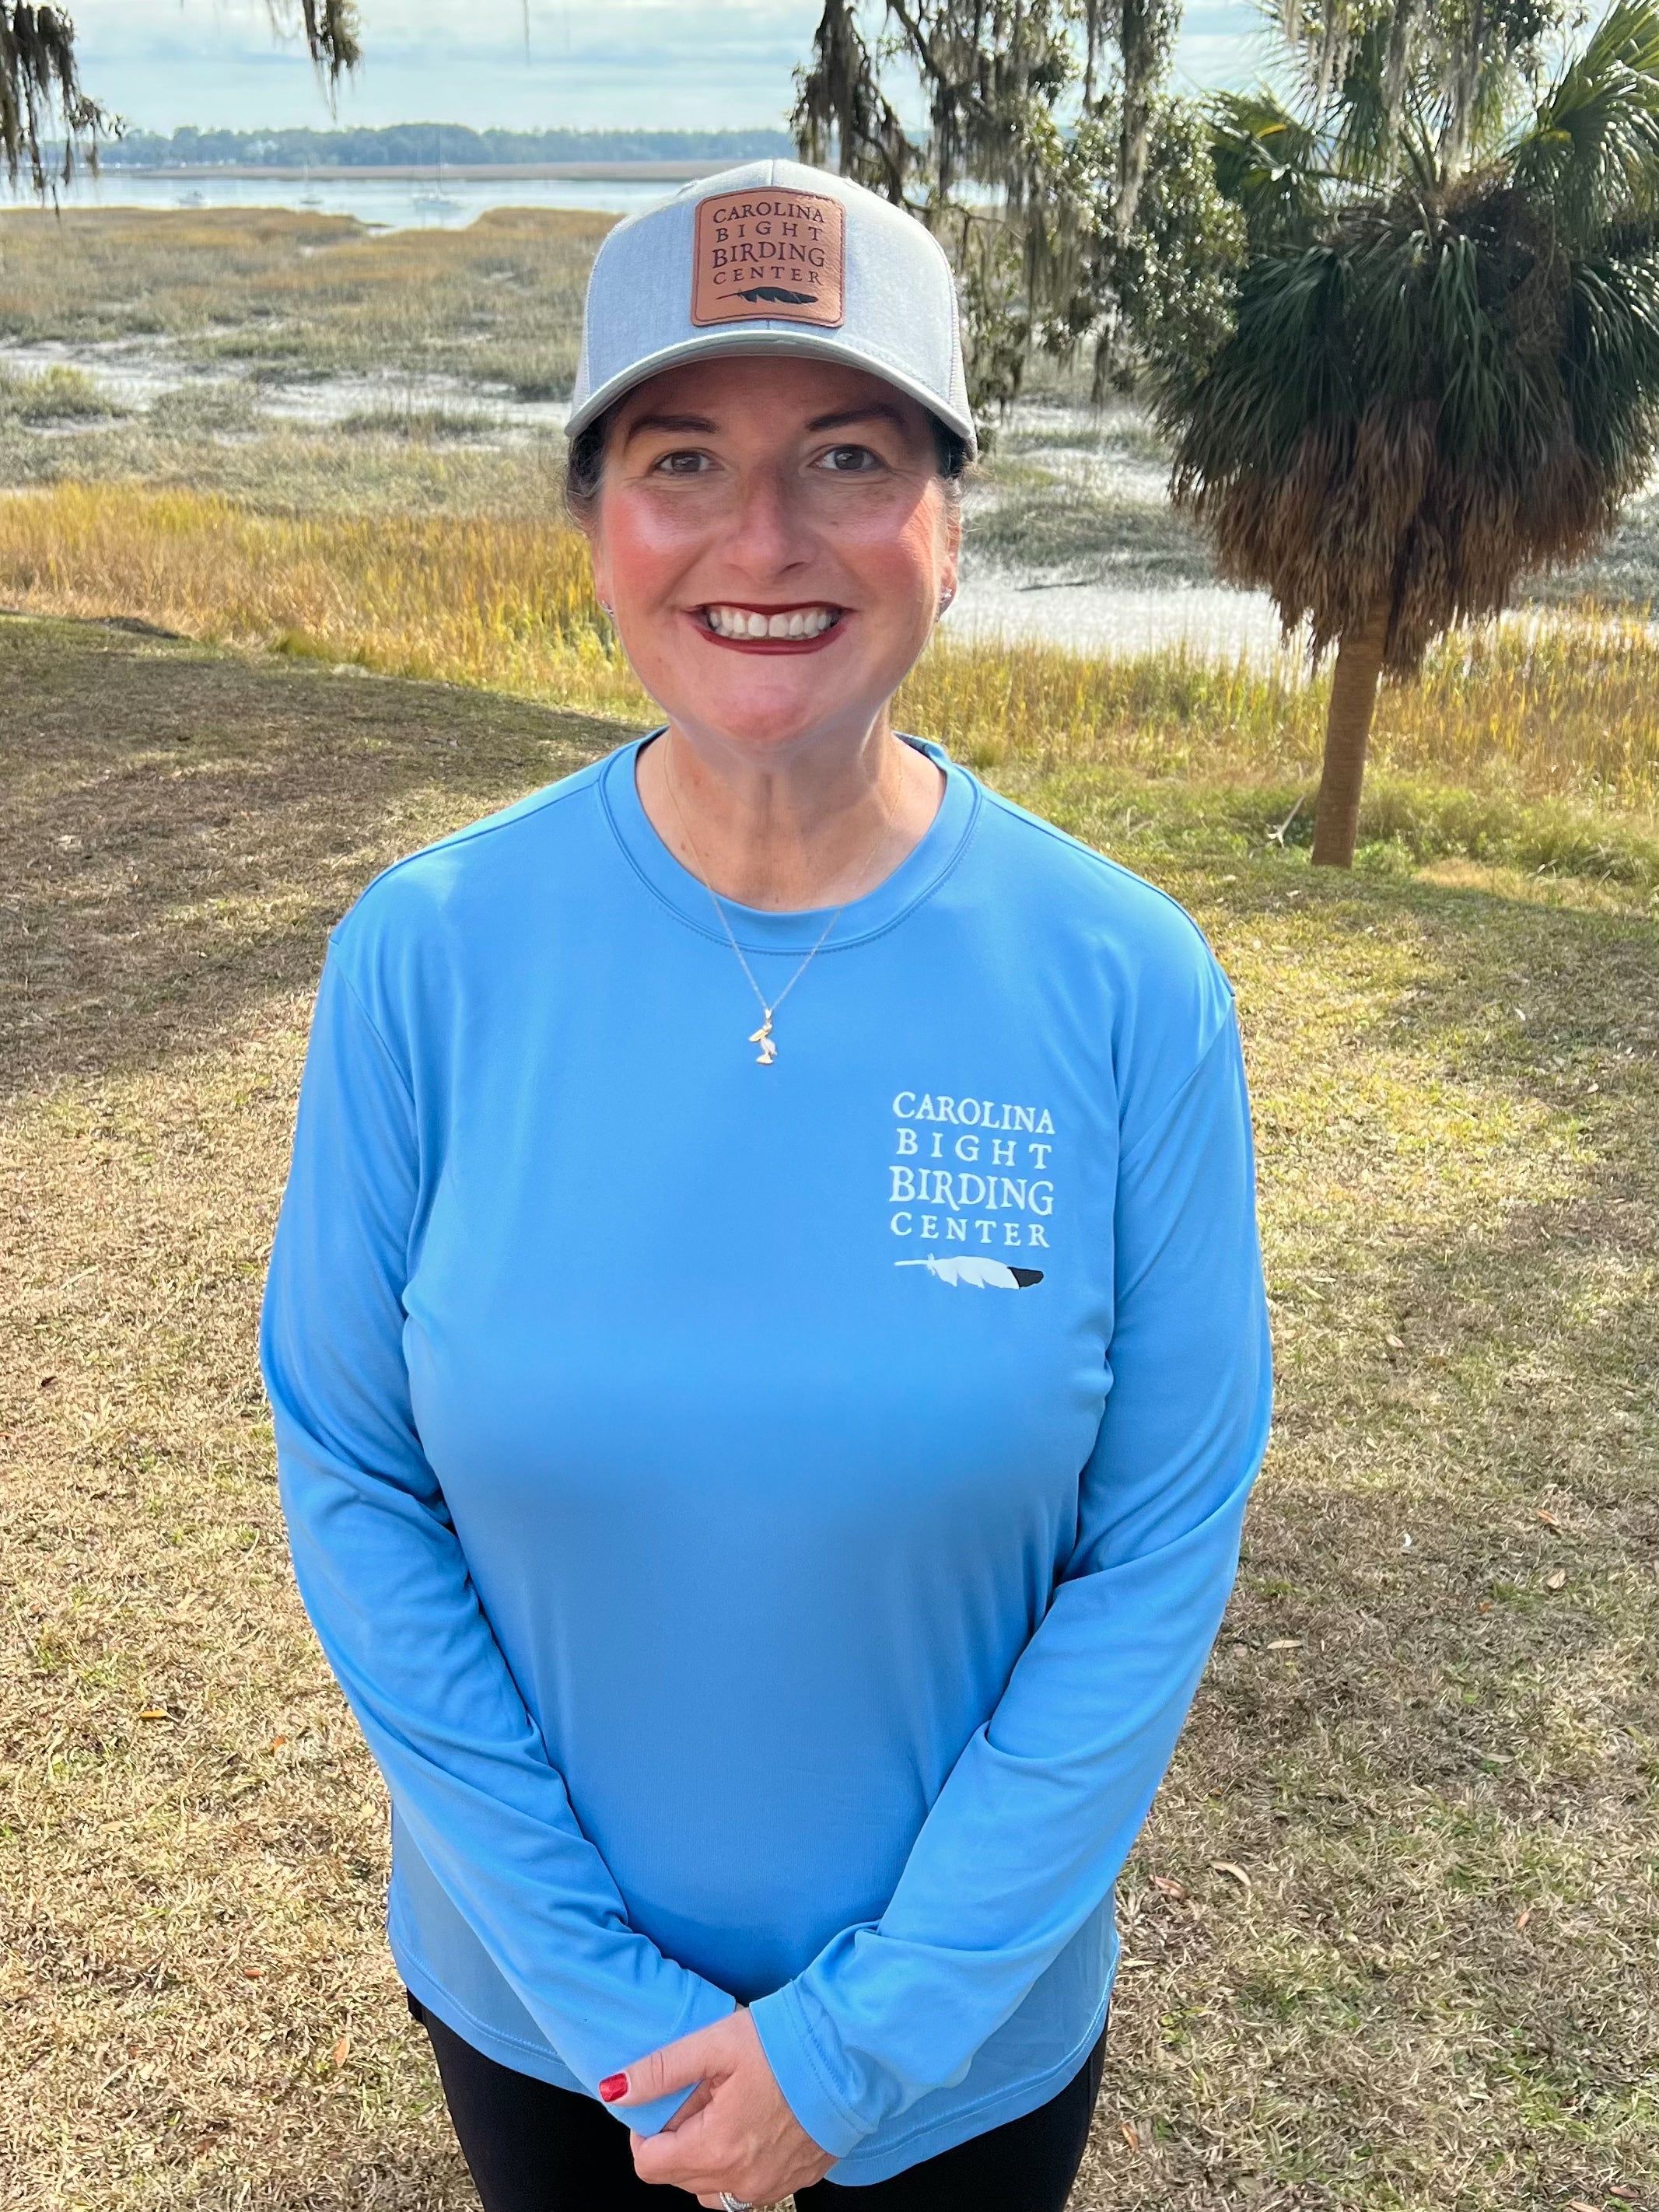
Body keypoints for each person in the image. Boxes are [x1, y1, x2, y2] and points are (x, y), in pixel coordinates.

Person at [260, 159, 1272, 2212]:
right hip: (548, 2039)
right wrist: (608, 2004)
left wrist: (854, 2043)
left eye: (849, 455)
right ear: (596, 525)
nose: (764, 537)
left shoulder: (1127, 986)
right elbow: (354, 1475)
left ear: (949, 525)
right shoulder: (428, 955)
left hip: (962, 2065)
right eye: (682, 459)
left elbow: (1158, 1548)